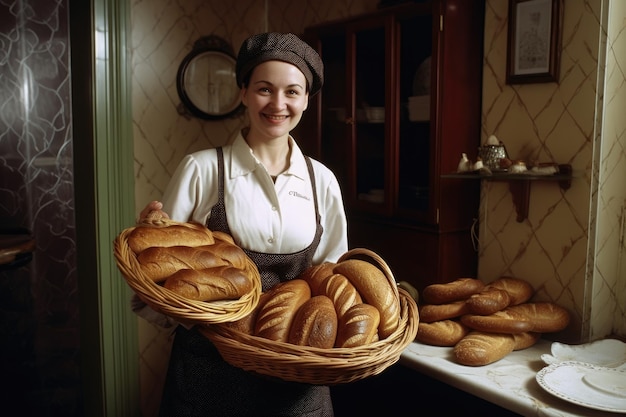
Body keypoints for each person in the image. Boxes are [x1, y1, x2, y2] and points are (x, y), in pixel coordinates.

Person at [135, 32, 348, 417]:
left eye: (292, 92)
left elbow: (334, 276)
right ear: (244, 92)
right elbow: (160, 278)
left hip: (296, 380)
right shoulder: (202, 169)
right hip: (210, 374)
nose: (278, 104)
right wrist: (146, 243)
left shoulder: (323, 182)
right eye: (265, 89)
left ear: (306, 100)